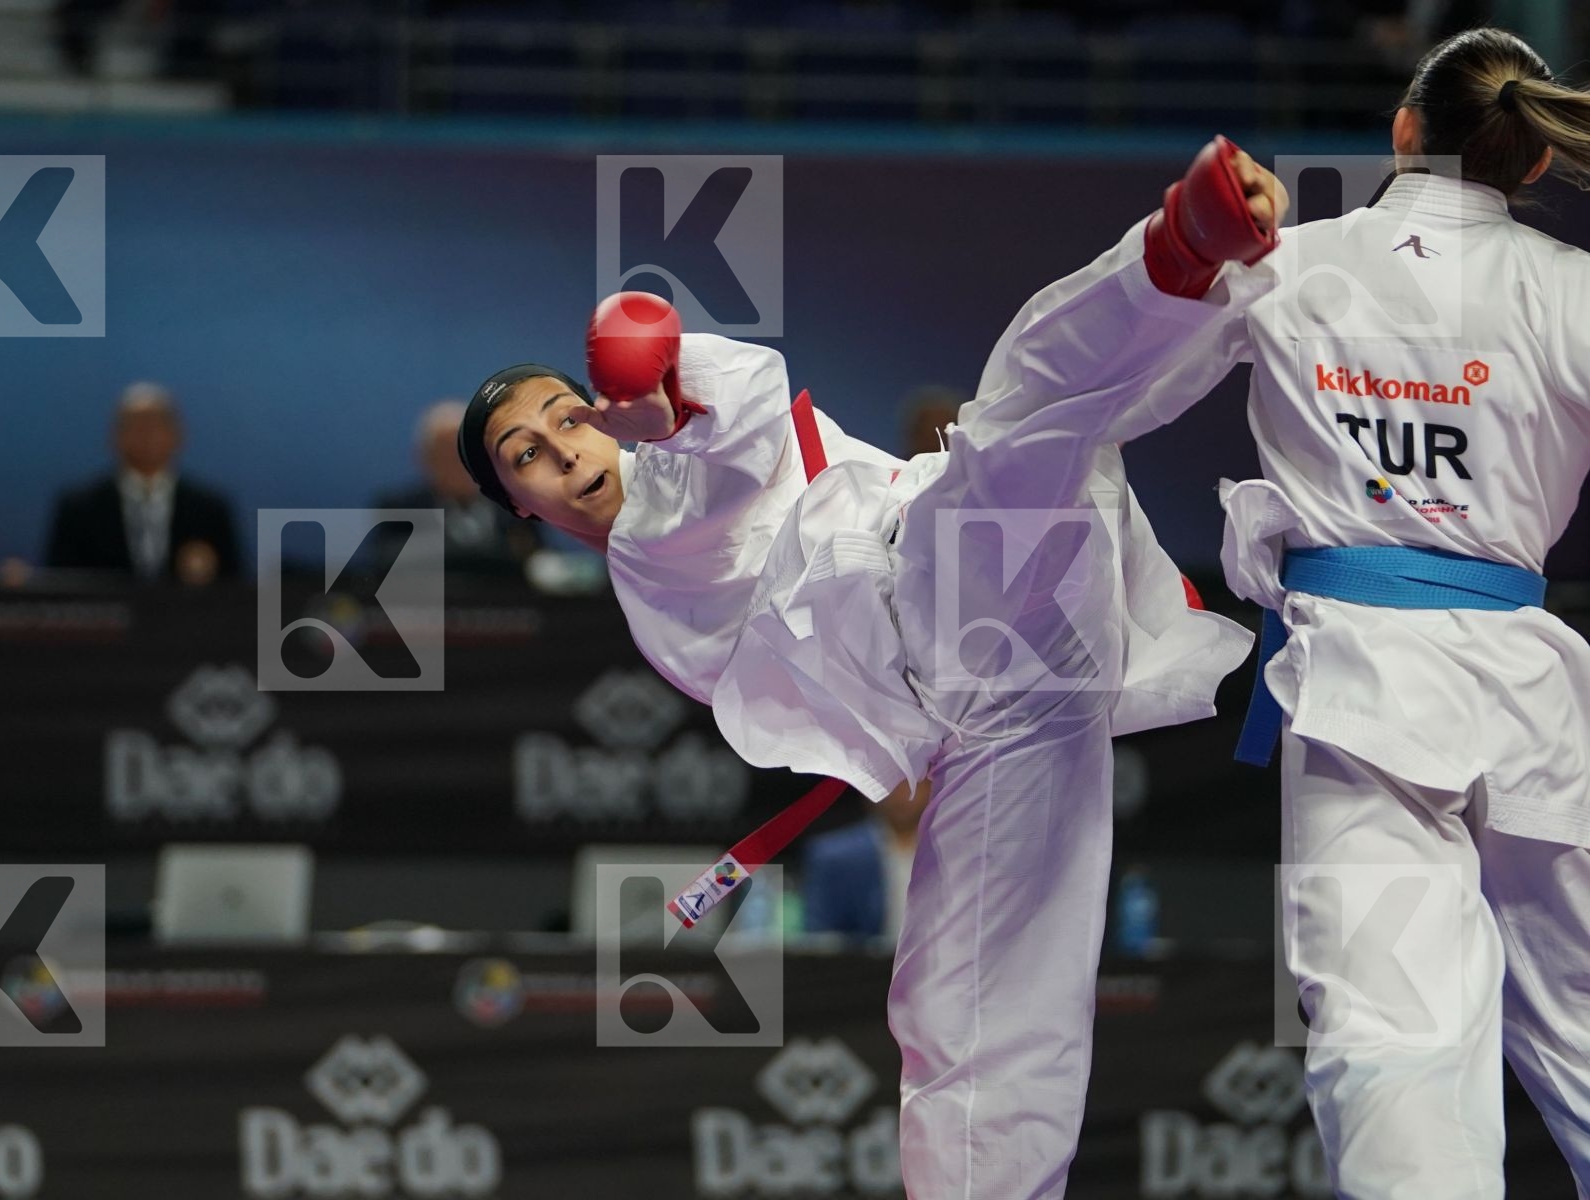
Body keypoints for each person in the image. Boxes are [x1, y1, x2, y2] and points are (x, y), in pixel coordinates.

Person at [456, 136, 1286, 1197]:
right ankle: (1212, 275)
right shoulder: (649, 571)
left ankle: (1185, 252)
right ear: (518, 509)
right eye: (526, 455)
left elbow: (743, 409)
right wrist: (663, 404)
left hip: (954, 588)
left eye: (567, 415)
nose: (563, 447)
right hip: (1005, 713)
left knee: (1021, 421)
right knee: (970, 1010)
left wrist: (664, 394)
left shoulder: (672, 474)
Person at [1202, 28, 1590, 1197]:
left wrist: (1201, 234)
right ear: (1533, 159)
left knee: (1397, 1039)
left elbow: (1107, 372)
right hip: (1533, 698)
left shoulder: (1290, 267)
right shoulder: (1573, 292)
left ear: (1404, 129)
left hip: (1363, 688)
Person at [45, 382, 241, 584]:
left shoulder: (209, 509)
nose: (147, 436)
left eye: (156, 425)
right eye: (135, 426)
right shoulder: (79, 508)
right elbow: (59, 585)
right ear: (115, 436)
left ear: (178, 434)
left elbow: (235, 586)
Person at [375, 400, 539, 578]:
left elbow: (539, 562)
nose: (459, 464)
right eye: (447, 455)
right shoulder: (401, 510)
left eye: (466, 453)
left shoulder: (515, 509)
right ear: (426, 460)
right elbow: (385, 561)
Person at [800, 779, 931, 940]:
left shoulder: (953, 849)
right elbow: (819, 939)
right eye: (895, 782)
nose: (904, 794)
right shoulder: (834, 857)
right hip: (860, 955)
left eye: (915, 783)